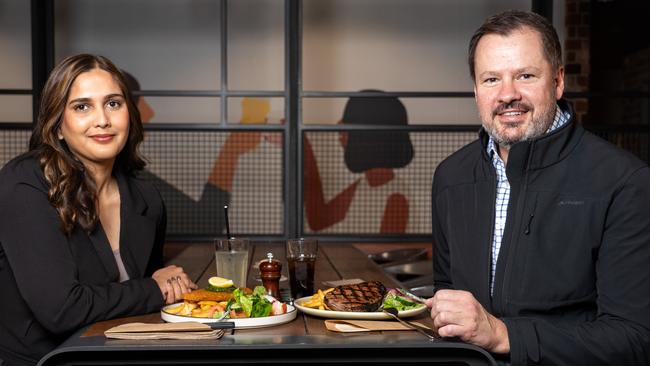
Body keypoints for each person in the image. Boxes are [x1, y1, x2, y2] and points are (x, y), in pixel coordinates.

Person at [426, 10, 650, 365]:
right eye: (491, 80)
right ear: (475, 90)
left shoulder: (624, 182)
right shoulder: (450, 177)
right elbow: (447, 296)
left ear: (558, 81)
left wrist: (503, 335)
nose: (507, 95)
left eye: (525, 75)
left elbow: (634, 338)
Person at [0, 54, 197, 366]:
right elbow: (61, 310)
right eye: (82, 107)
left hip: (113, 356)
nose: (102, 119)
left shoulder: (146, 198)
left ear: (129, 115)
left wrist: (161, 286)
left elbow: (143, 304)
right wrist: (154, 288)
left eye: (113, 103)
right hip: (40, 361)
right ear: (58, 126)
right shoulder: (25, 185)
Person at [121, 71, 263, 236]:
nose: (150, 112)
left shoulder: (132, 174)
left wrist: (232, 150)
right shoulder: (129, 180)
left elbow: (201, 220)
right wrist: (231, 151)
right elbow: (204, 224)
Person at [303, 90, 414, 233]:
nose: (340, 137)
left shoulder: (396, 197)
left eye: (346, 130)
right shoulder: (364, 185)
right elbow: (318, 220)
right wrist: (303, 147)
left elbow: (384, 252)